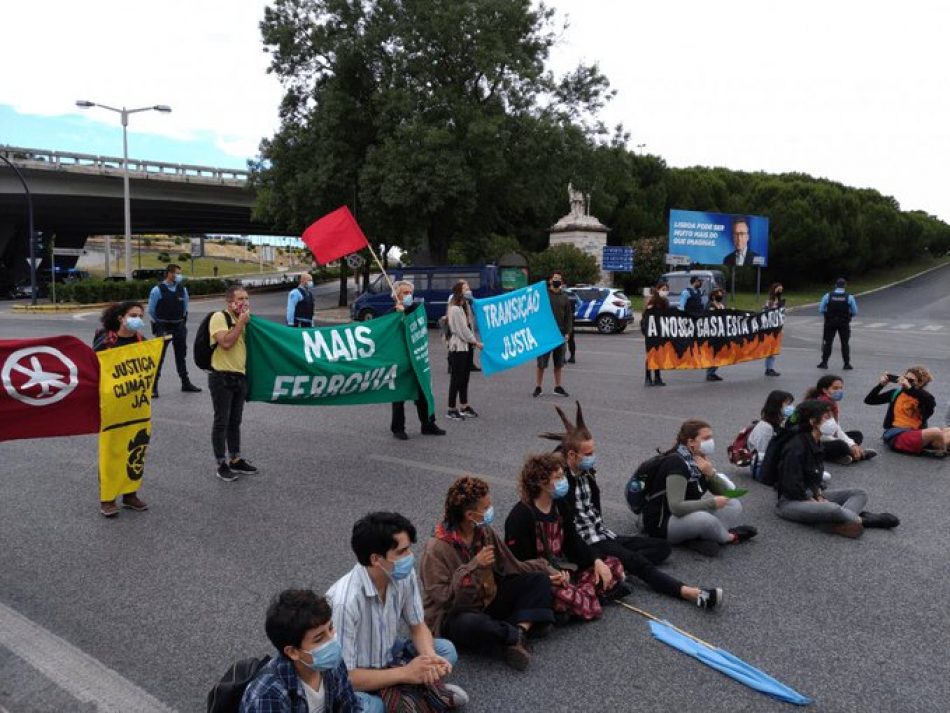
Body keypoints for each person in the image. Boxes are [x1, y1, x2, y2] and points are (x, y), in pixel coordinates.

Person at [539, 402, 723, 609]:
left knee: (661, 548)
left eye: (593, 452)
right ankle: (691, 593)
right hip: (587, 541)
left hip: (603, 533)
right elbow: (569, 533)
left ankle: (616, 568)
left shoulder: (588, 475)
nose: (593, 458)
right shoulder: (562, 484)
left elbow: (594, 511)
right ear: (571, 455)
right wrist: (595, 557)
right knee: (639, 562)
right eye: (588, 454)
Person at [327, 512, 467, 712]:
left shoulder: (403, 574)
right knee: (370, 709)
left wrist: (429, 659)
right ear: (376, 558)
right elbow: (347, 676)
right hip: (359, 672)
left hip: (390, 655)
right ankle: (420, 691)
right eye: (402, 552)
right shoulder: (344, 602)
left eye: (409, 549)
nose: (410, 557)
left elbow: (418, 626)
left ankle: (409, 690)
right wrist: (406, 673)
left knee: (445, 651)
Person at [419, 476, 556, 671]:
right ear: (470, 515)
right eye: (486, 507)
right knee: (471, 624)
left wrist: (547, 570)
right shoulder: (437, 549)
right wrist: (474, 565)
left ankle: (517, 633)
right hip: (456, 613)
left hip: (487, 599)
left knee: (539, 581)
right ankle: (518, 632)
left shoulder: (484, 532)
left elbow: (511, 565)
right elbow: (443, 599)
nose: (490, 510)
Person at [505, 453, 628, 622]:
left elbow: (573, 540)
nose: (563, 481)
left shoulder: (560, 504)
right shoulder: (521, 516)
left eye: (563, 475)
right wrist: (552, 576)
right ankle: (590, 595)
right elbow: (519, 563)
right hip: (543, 575)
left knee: (612, 564)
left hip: (564, 567)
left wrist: (596, 560)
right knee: (556, 593)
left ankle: (579, 600)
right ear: (542, 482)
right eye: (558, 477)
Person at [774, 400, 899, 537]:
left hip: (812, 495)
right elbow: (791, 485)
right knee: (831, 508)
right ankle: (861, 520)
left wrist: (819, 495)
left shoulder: (816, 441)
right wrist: (813, 500)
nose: (832, 421)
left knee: (859, 493)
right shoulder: (796, 447)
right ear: (812, 422)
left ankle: (836, 522)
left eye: (831, 416)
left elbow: (814, 478)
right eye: (827, 417)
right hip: (791, 502)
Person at [641, 419, 758, 549]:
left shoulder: (698, 459)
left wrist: (710, 474)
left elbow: (726, 493)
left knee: (733, 504)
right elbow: (676, 507)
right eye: (706, 438)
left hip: (687, 513)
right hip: (664, 522)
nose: (711, 442)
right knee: (704, 520)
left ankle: (702, 537)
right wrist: (711, 503)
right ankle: (729, 537)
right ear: (691, 442)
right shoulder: (677, 464)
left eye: (711, 438)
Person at [239, 589, 360, 713]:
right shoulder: (268, 694)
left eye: (330, 628)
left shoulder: (333, 664)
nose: (332, 640)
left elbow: (351, 707)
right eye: (319, 639)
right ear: (293, 652)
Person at [92, 301, 149, 518]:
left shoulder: (142, 341)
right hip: (111, 406)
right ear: (120, 318)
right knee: (111, 451)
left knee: (136, 448)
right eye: (133, 314)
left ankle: (130, 493)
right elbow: (94, 366)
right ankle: (107, 498)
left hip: (136, 406)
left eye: (140, 315)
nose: (138, 318)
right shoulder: (106, 340)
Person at [209, 285, 258, 482]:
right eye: (240, 298)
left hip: (240, 376)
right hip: (222, 376)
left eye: (246, 298)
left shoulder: (244, 319)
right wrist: (240, 324)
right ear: (230, 301)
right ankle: (221, 463)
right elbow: (226, 343)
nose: (244, 302)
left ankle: (235, 459)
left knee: (235, 421)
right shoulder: (219, 317)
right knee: (222, 421)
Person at [390, 280, 446, 440]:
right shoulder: (391, 314)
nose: (409, 296)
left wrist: (406, 313)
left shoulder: (416, 310)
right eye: (404, 293)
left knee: (423, 392)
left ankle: (428, 424)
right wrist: (398, 314)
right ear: (396, 296)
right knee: (398, 397)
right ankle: (398, 428)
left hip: (417, 360)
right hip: (400, 361)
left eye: (410, 293)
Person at [865, 366, 949, 456]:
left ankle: (937, 447)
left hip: (916, 433)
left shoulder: (924, 397)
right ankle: (938, 448)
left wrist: (910, 389)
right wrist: (881, 385)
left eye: (911, 380)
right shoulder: (896, 393)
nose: (906, 381)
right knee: (936, 432)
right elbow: (869, 400)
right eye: (905, 378)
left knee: (947, 430)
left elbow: (929, 402)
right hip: (898, 434)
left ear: (920, 383)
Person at [147, 263, 201, 396]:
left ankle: (185, 383)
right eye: (176, 273)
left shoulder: (183, 290)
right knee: (159, 356)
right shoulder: (157, 290)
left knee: (181, 355)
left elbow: (184, 308)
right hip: (163, 326)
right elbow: (151, 310)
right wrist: (160, 323)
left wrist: (181, 322)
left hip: (179, 326)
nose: (178, 276)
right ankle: (153, 387)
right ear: (169, 274)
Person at [804, 375, 877, 465]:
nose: (839, 391)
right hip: (815, 441)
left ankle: (843, 456)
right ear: (825, 390)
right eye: (835, 388)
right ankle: (857, 454)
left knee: (857, 435)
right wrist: (847, 445)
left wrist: (852, 444)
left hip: (829, 437)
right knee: (840, 445)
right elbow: (822, 434)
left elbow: (836, 428)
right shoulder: (818, 406)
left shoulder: (832, 404)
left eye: (841, 388)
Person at [446, 280, 482, 421]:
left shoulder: (465, 306)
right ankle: (451, 408)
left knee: (465, 377)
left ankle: (464, 405)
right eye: (465, 289)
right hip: (459, 347)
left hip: (467, 346)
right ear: (459, 291)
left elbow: (471, 325)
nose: (469, 291)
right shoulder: (454, 309)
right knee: (456, 378)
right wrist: (475, 341)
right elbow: (462, 330)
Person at [533, 271, 572, 398]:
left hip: (559, 335)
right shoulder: (543, 296)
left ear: (562, 282)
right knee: (541, 364)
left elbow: (568, 317)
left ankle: (558, 387)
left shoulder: (564, 297)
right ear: (550, 281)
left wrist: (567, 332)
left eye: (559, 279)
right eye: (555, 278)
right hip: (545, 335)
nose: (557, 281)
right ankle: (538, 387)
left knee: (559, 363)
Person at [748, 390, 795, 481]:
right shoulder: (766, 427)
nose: (790, 407)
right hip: (762, 468)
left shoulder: (779, 422)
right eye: (787, 404)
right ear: (777, 405)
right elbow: (762, 452)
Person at [817, 277, 857, 370]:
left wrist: (829, 314)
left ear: (835, 285)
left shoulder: (828, 295)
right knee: (845, 344)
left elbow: (821, 309)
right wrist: (847, 315)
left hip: (830, 322)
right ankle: (846, 364)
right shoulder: (849, 297)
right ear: (845, 286)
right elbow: (855, 311)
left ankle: (824, 363)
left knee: (828, 343)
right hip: (844, 323)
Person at [642, 279, 669, 387]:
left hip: (660, 332)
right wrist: (649, 310)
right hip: (651, 332)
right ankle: (648, 378)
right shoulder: (652, 301)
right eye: (663, 289)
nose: (665, 291)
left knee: (659, 354)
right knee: (651, 354)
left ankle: (657, 377)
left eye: (666, 290)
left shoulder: (665, 302)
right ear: (658, 290)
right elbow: (645, 315)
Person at [705, 288, 727, 382]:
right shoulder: (710, 305)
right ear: (713, 296)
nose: (721, 295)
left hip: (721, 332)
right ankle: (709, 373)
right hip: (712, 333)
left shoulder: (721, 305)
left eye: (721, 293)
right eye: (719, 293)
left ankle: (713, 372)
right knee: (713, 353)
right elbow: (707, 316)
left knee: (719, 353)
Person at [763, 282, 785, 377]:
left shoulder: (781, 301)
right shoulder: (769, 301)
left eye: (781, 290)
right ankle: (769, 369)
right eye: (778, 289)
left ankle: (770, 368)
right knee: (771, 349)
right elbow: (764, 312)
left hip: (777, 328)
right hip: (770, 329)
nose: (780, 291)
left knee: (773, 349)